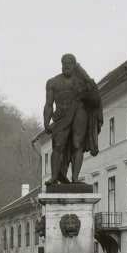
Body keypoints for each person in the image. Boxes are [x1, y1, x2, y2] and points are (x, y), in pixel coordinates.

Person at [43, 54, 102, 185]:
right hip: (61, 117)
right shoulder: (53, 82)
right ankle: (54, 177)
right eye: (64, 63)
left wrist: (87, 92)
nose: (67, 65)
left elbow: (95, 101)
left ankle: (75, 178)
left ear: (74, 65)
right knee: (58, 145)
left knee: (77, 144)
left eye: (69, 63)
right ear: (61, 65)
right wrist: (46, 121)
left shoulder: (82, 82)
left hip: (79, 113)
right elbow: (48, 104)